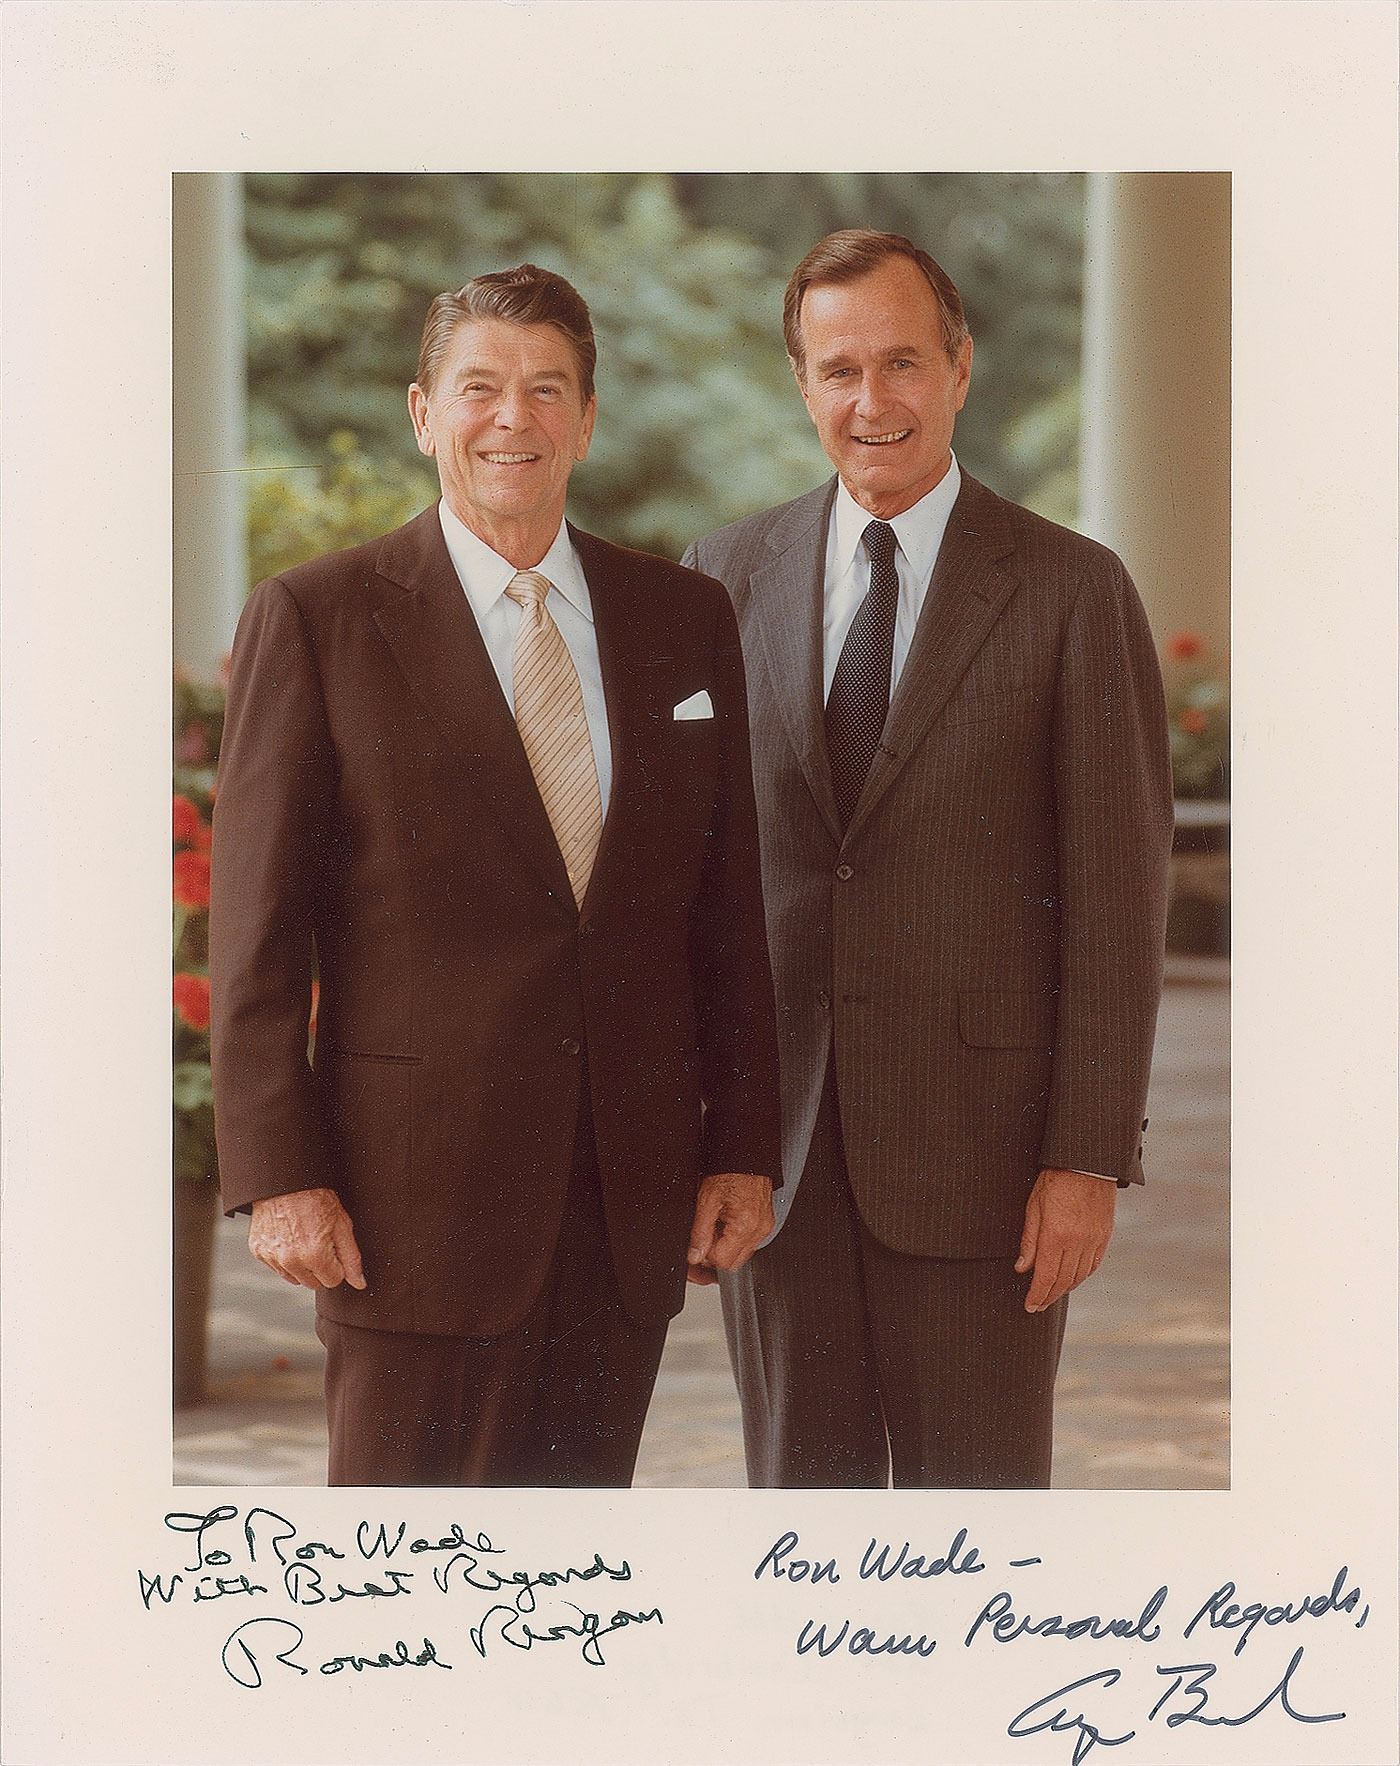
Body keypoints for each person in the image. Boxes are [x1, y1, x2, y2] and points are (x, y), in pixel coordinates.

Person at [210, 264, 780, 1488]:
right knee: (407, 1569)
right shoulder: (316, 618)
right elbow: (255, 933)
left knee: (571, 1569)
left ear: (588, 418)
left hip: (622, 1208)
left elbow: (725, 913)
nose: (511, 418)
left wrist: (741, 1144)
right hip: (408, 1214)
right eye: (479, 387)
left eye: (546, 389)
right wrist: (279, 1176)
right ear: (423, 413)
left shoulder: (683, 617)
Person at [683, 229, 1173, 1489]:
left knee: (981, 1523)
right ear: (801, 385)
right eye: (838, 369)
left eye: (901, 362)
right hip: (778, 1166)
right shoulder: (721, 575)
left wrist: (1083, 1157)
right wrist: (705, 1134)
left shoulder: (1071, 589)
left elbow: (1116, 903)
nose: (871, 400)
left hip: (986, 1172)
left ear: (960, 368)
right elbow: (691, 883)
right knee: (800, 1528)